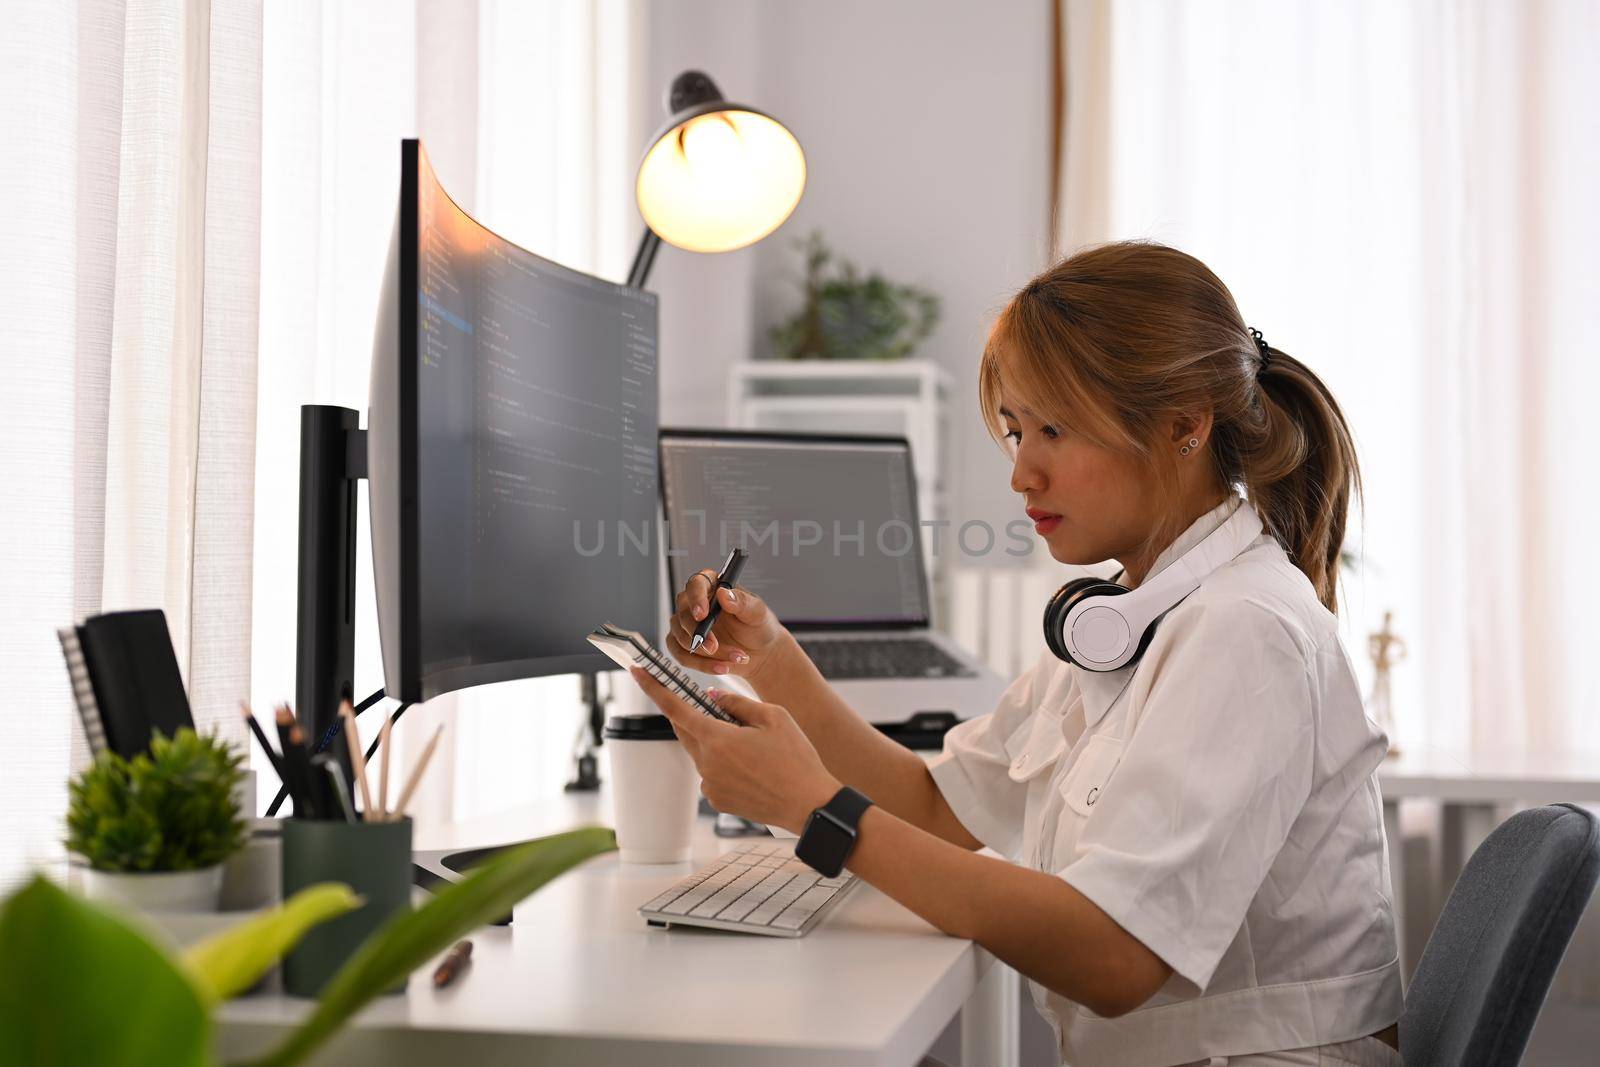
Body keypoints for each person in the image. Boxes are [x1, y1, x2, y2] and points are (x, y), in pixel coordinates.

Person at [630, 241, 1402, 1067]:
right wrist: (773, 661)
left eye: (1054, 429)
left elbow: (1115, 956)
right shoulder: (1125, 618)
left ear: (1183, 424)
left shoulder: (1246, 627)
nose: (1020, 474)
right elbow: (937, 805)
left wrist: (821, 813)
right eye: (1014, 430)